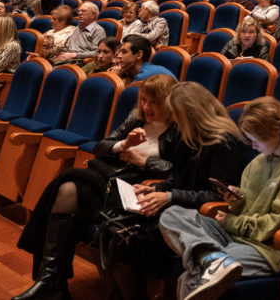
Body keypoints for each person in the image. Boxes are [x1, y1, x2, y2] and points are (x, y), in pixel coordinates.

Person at [13, 75, 181, 300]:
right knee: (67, 186)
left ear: (168, 102)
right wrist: (124, 144)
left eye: (153, 102)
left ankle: (52, 282)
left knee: (70, 183)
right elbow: (100, 146)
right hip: (111, 180)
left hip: (138, 189)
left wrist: (143, 161)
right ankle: (51, 279)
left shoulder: (178, 128)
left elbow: (179, 171)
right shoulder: (136, 118)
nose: (146, 107)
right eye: (144, 100)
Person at [159, 96, 280, 300]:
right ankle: (212, 258)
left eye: (256, 139)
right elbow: (247, 208)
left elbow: (276, 226)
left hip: (267, 250)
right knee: (173, 214)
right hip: (235, 235)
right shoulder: (259, 162)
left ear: (276, 131)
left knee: (195, 272)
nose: (253, 146)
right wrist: (235, 202)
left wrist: (231, 221)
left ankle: (210, 259)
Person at [104, 82, 245, 297]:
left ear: (191, 114)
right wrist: (154, 189)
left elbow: (218, 196)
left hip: (196, 216)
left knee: (129, 238)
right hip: (179, 204)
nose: (174, 120)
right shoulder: (188, 135)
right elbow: (178, 177)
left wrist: (169, 196)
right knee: (113, 224)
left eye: (177, 115)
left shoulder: (222, 142)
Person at [109, 34, 177, 84]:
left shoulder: (144, 76)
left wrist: (114, 78)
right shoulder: (140, 71)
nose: (119, 56)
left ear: (139, 55)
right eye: (120, 52)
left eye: (124, 52)